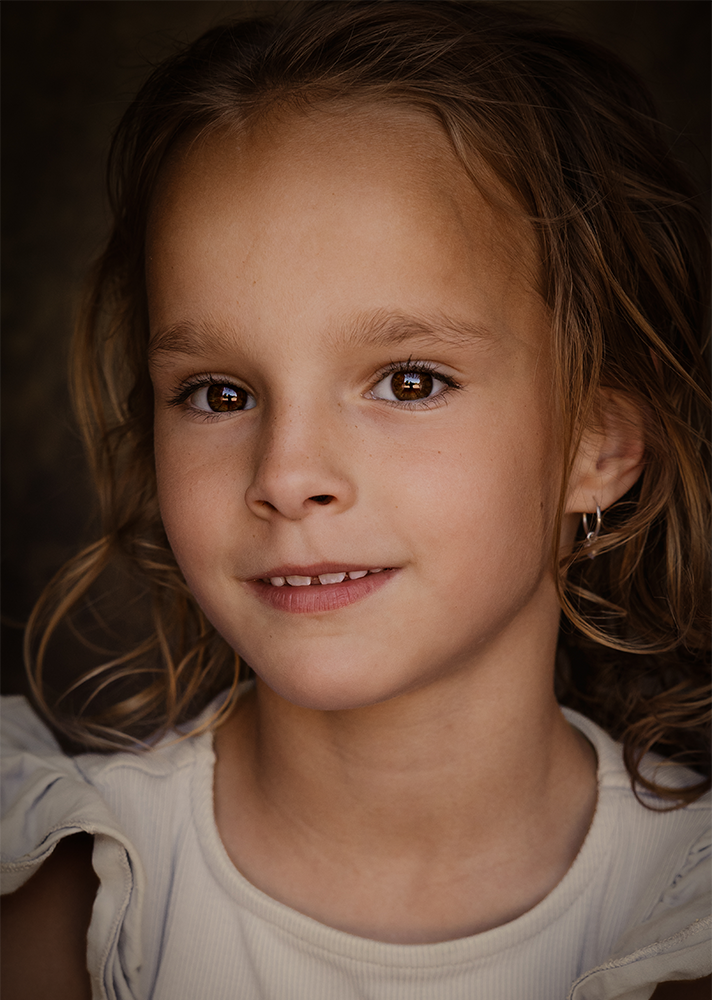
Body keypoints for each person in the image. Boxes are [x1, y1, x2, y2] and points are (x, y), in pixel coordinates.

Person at [2, 1, 712, 996]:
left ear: (597, 445)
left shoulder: (688, 908)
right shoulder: (68, 894)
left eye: (409, 381)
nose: (285, 475)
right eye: (220, 393)